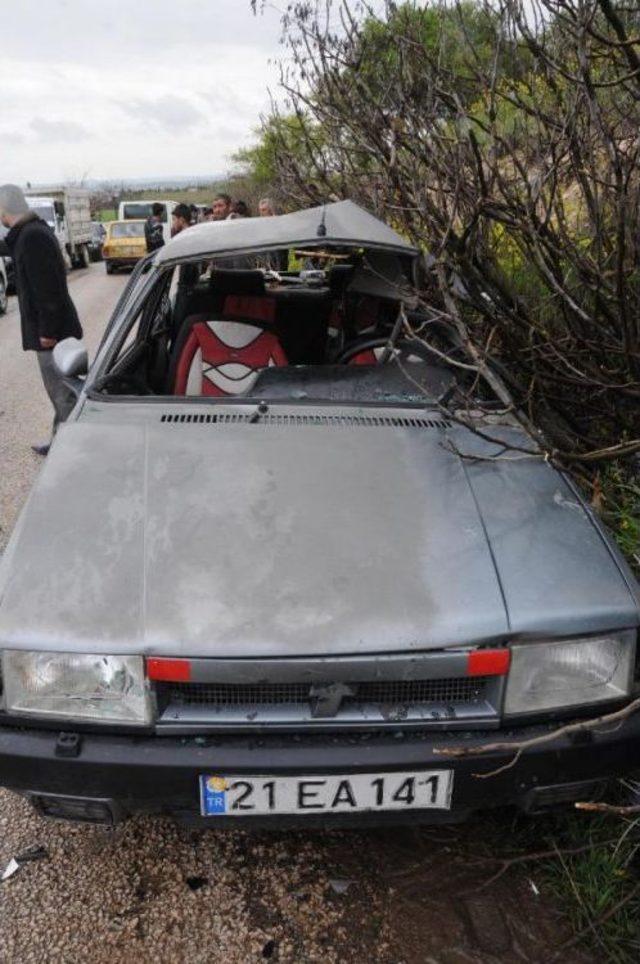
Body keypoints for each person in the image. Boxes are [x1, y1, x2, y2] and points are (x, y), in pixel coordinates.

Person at [0, 183, 83, 456]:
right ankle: (62, 440)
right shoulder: (30, 232)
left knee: (62, 393)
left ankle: (74, 449)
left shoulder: (32, 237)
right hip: (52, 331)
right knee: (60, 392)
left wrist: (47, 330)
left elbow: (48, 290)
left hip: (52, 334)